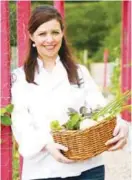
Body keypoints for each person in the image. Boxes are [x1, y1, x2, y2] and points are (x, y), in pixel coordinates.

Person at [11, 5, 128, 180]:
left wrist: (120, 124)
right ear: (31, 36)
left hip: (89, 167)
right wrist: (46, 144)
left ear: (62, 33)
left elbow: (99, 108)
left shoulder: (79, 72)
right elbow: (21, 124)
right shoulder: (20, 78)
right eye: (42, 34)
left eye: (55, 32)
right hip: (44, 169)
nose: (50, 39)